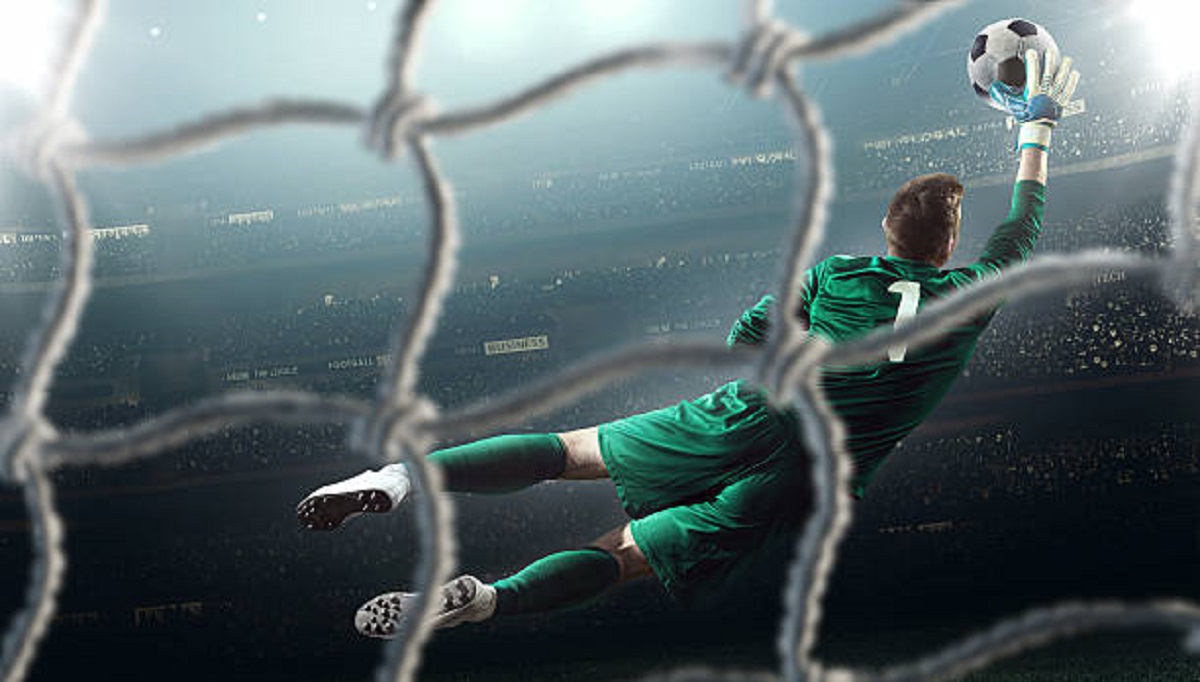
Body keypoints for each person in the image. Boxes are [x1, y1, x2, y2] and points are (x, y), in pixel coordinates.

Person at [297, 49, 1080, 638]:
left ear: (887, 231)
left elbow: (751, 335)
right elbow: (1021, 228)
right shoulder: (974, 295)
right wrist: (1034, 128)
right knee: (626, 555)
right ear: (950, 248)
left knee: (569, 453)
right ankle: (490, 601)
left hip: (755, 414)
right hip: (809, 473)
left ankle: (398, 477)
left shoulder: (834, 273)